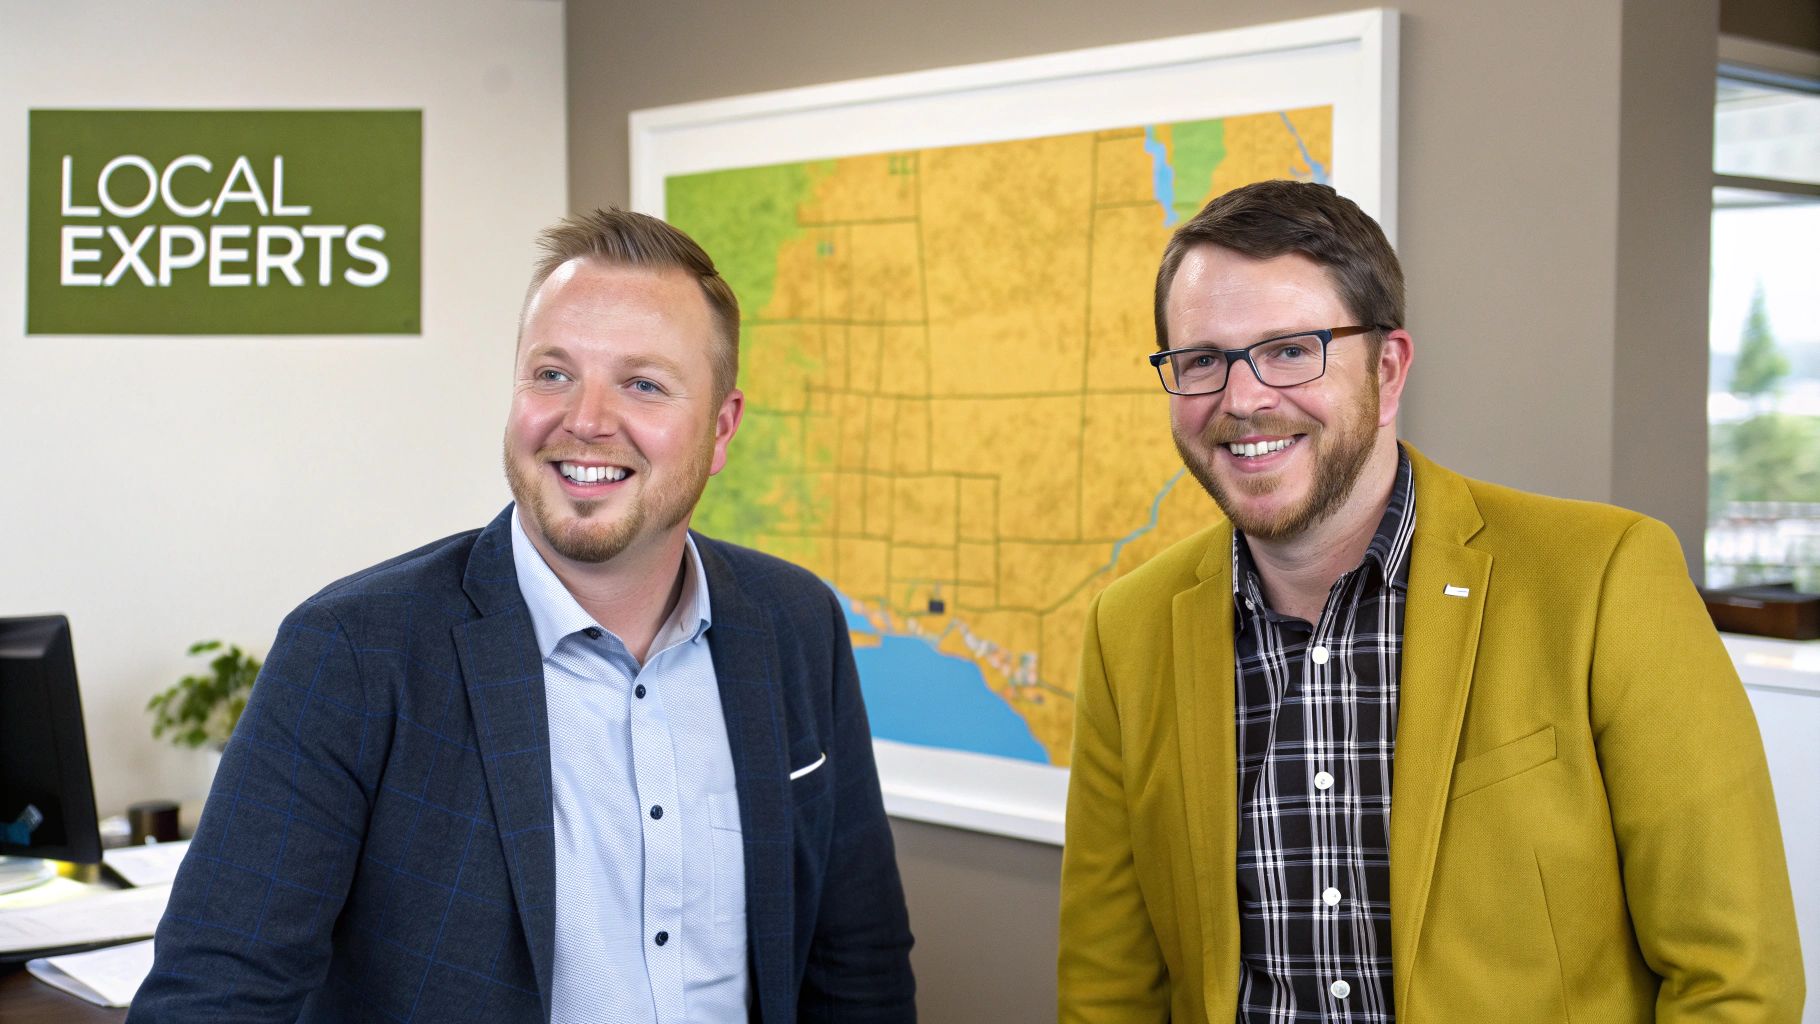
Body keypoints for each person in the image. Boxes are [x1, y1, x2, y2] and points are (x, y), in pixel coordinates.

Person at [129, 209, 916, 1023]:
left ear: (720, 430)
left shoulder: (796, 624)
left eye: (642, 384)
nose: (585, 419)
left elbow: (858, 964)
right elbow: (215, 998)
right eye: (552, 374)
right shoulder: (353, 652)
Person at [1057, 179, 1802, 1022]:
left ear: (1388, 367)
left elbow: (1738, 980)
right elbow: (1109, 991)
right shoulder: (1131, 630)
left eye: (1292, 350)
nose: (1244, 399)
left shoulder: (1604, 579)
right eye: (1202, 361)